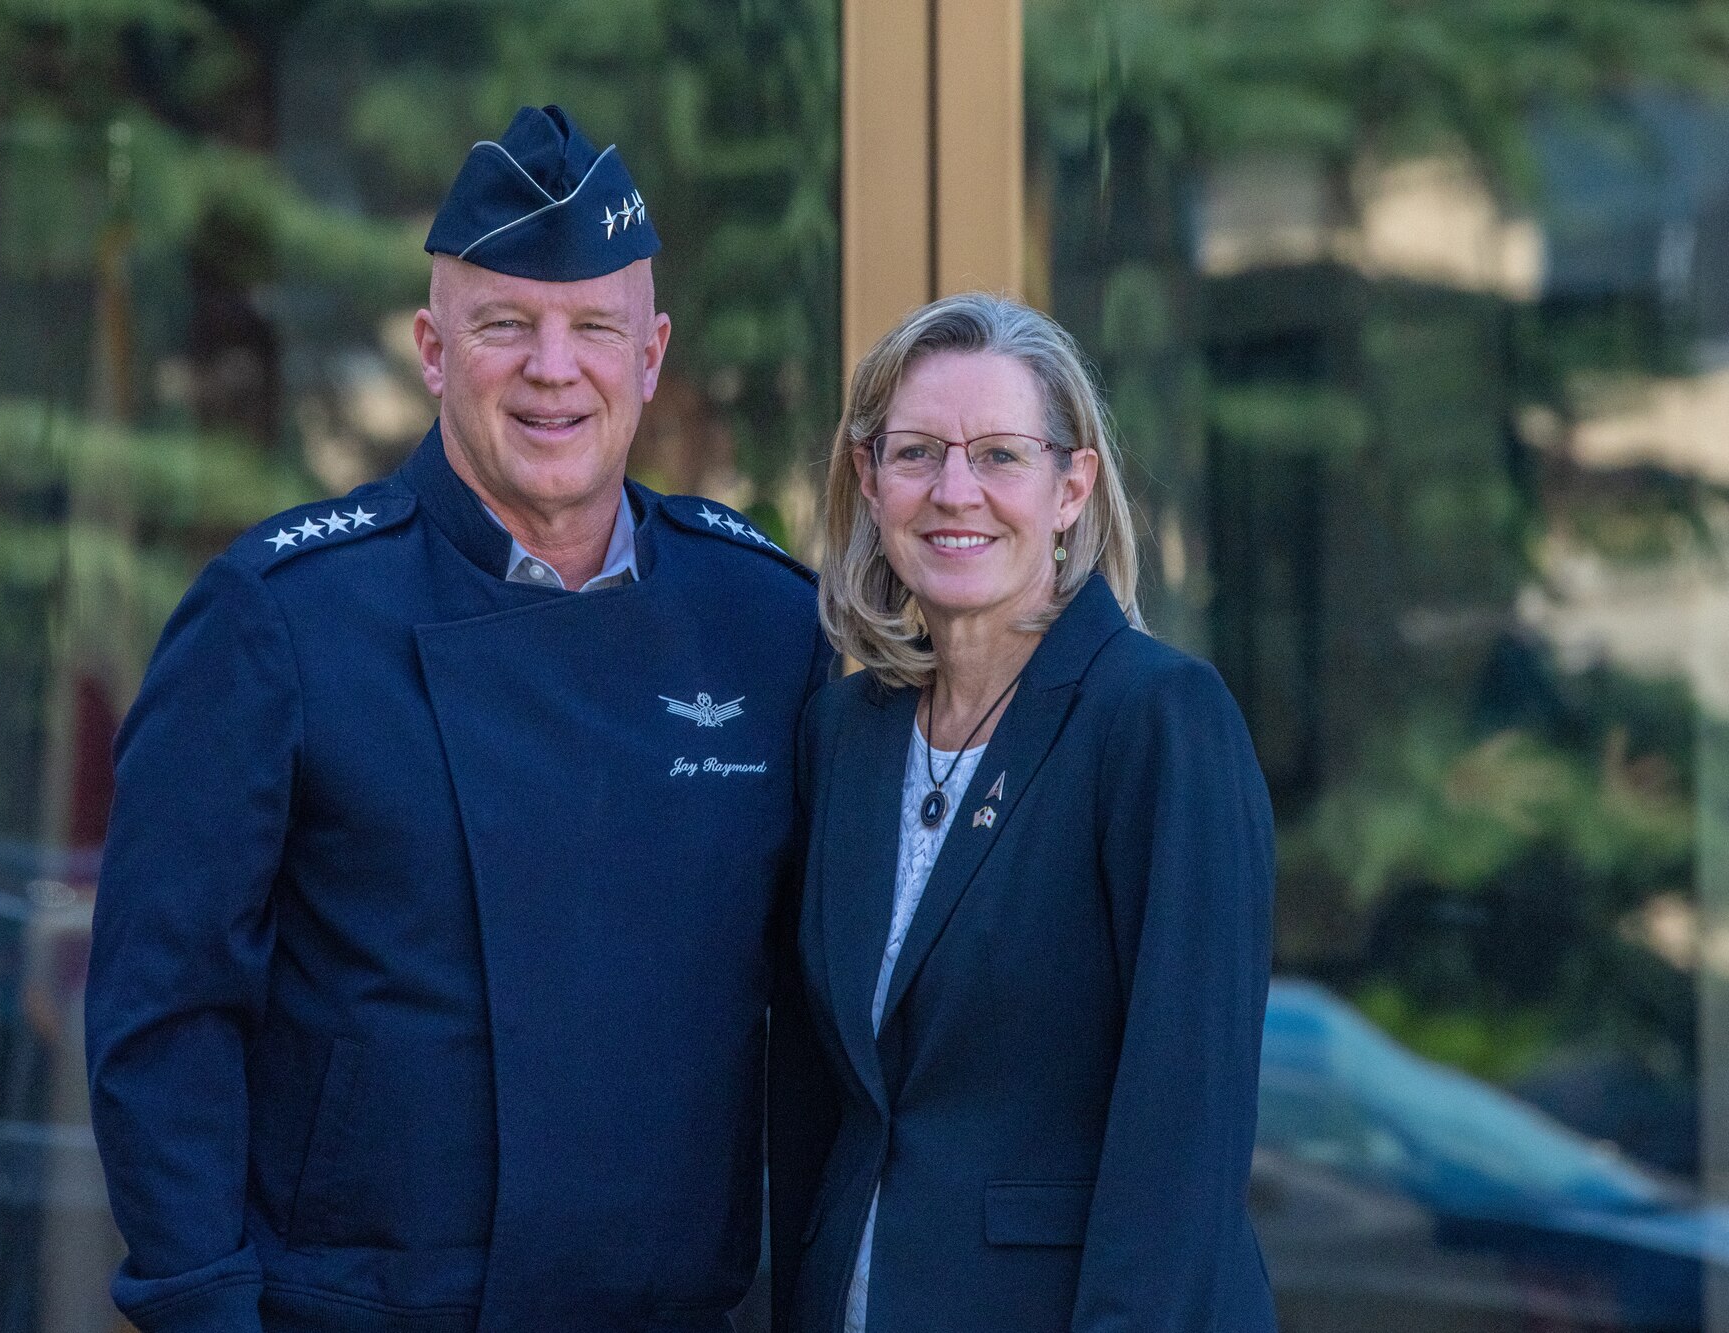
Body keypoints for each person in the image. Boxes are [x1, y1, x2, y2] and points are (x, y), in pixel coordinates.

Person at [86, 104, 830, 1333]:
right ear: (433, 350)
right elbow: (162, 1017)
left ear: (649, 358)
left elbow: (817, 1026)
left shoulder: (760, 620)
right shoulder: (280, 618)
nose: (553, 368)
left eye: (594, 326)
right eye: (504, 326)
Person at [776, 293, 1276, 1332]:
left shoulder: (1155, 722)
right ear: (870, 483)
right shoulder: (844, 734)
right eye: (914, 453)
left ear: (1069, 488)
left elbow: (1180, 1133)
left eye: (999, 455)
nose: (954, 491)